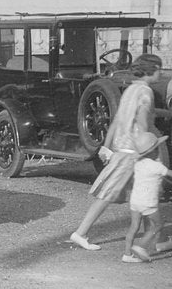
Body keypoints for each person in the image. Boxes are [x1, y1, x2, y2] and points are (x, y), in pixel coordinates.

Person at [70, 53, 165, 250]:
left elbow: (117, 120)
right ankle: (80, 233)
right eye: (159, 69)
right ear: (151, 70)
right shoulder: (146, 92)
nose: (161, 73)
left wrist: (107, 146)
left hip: (122, 148)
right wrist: (150, 148)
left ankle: (158, 240)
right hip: (134, 151)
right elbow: (142, 123)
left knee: (143, 193)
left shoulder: (130, 89)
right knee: (114, 194)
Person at [123, 131, 171, 262]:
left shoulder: (138, 163)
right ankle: (141, 246)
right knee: (158, 224)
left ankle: (127, 254)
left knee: (134, 227)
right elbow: (169, 174)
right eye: (157, 149)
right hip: (148, 202)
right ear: (153, 151)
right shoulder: (157, 166)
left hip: (135, 201)